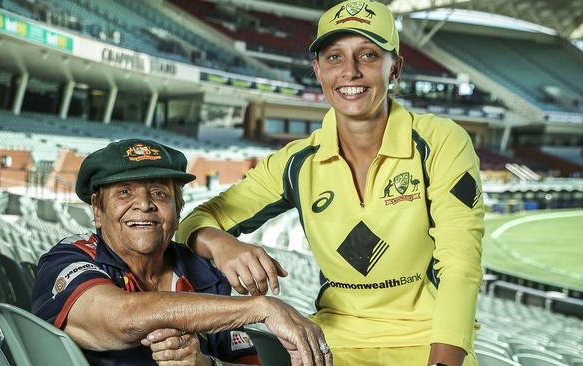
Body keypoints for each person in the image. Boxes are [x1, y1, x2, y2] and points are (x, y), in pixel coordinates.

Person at [176, 1, 484, 365]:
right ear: (317, 70)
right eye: (334, 57)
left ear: (395, 67)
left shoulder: (440, 141)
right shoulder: (295, 162)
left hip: (427, 340)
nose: (350, 72)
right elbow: (192, 223)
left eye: (368, 55)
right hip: (329, 345)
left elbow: (460, 262)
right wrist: (220, 242)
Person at [31, 139, 333, 366]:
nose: (144, 204)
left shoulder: (203, 274)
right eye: (124, 192)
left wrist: (206, 364)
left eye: (160, 194)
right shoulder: (71, 257)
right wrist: (261, 307)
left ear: (179, 210)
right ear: (97, 209)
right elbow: (124, 317)